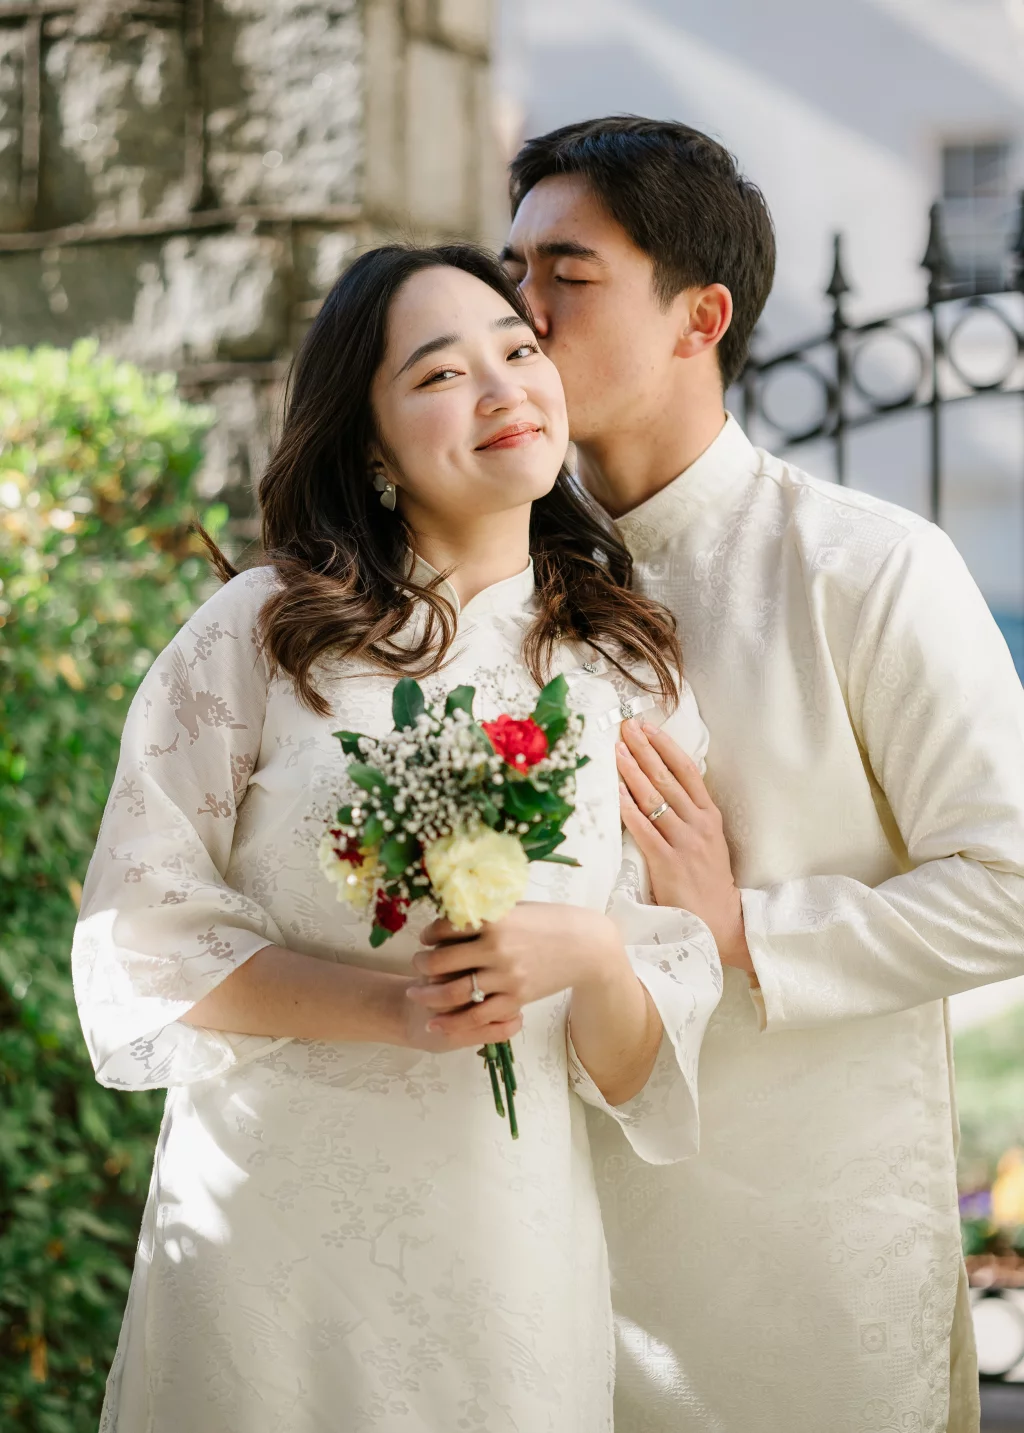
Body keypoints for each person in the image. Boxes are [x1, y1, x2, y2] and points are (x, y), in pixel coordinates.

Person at [71, 241, 723, 1432]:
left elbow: (640, 1067)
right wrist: (388, 1007)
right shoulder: (261, 635)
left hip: (506, 1252)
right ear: (368, 444)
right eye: (437, 374)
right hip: (267, 1238)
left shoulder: (628, 670)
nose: (502, 386)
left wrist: (586, 952)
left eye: (517, 350)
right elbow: (137, 937)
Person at [502, 116, 1024, 1433]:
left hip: (799, 1261)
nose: (523, 316)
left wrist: (746, 931)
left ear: (702, 315)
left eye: (567, 277)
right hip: (538, 1249)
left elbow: (1012, 882)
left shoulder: (867, 565)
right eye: (512, 274)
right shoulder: (489, 584)